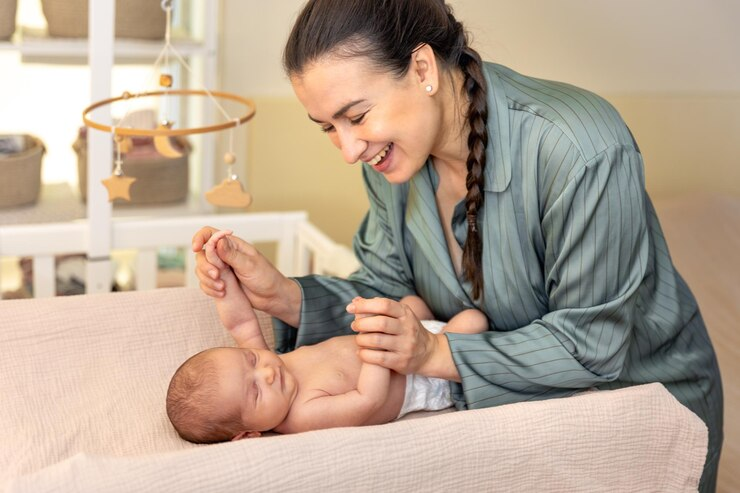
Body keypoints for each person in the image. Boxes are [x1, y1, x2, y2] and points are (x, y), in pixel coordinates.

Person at [192, 0, 723, 489]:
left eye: (356, 116)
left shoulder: (578, 148)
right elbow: (389, 290)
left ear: (422, 69)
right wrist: (283, 295)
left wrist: (434, 351)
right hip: (510, 417)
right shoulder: (390, 162)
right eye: (327, 127)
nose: (348, 149)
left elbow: (591, 346)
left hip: (638, 405)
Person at [168, 231, 487, 443]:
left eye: (250, 359)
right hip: (421, 377)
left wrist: (221, 278)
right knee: (473, 321)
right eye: (255, 392)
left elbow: (240, 323)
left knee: (412, 304)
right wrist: (373, 335)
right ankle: (449, 334)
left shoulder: (269, 365)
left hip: (394, 340)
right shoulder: (302, 415)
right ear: (250, 433)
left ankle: (421, 323)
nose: (265, 372)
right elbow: (367, 401)